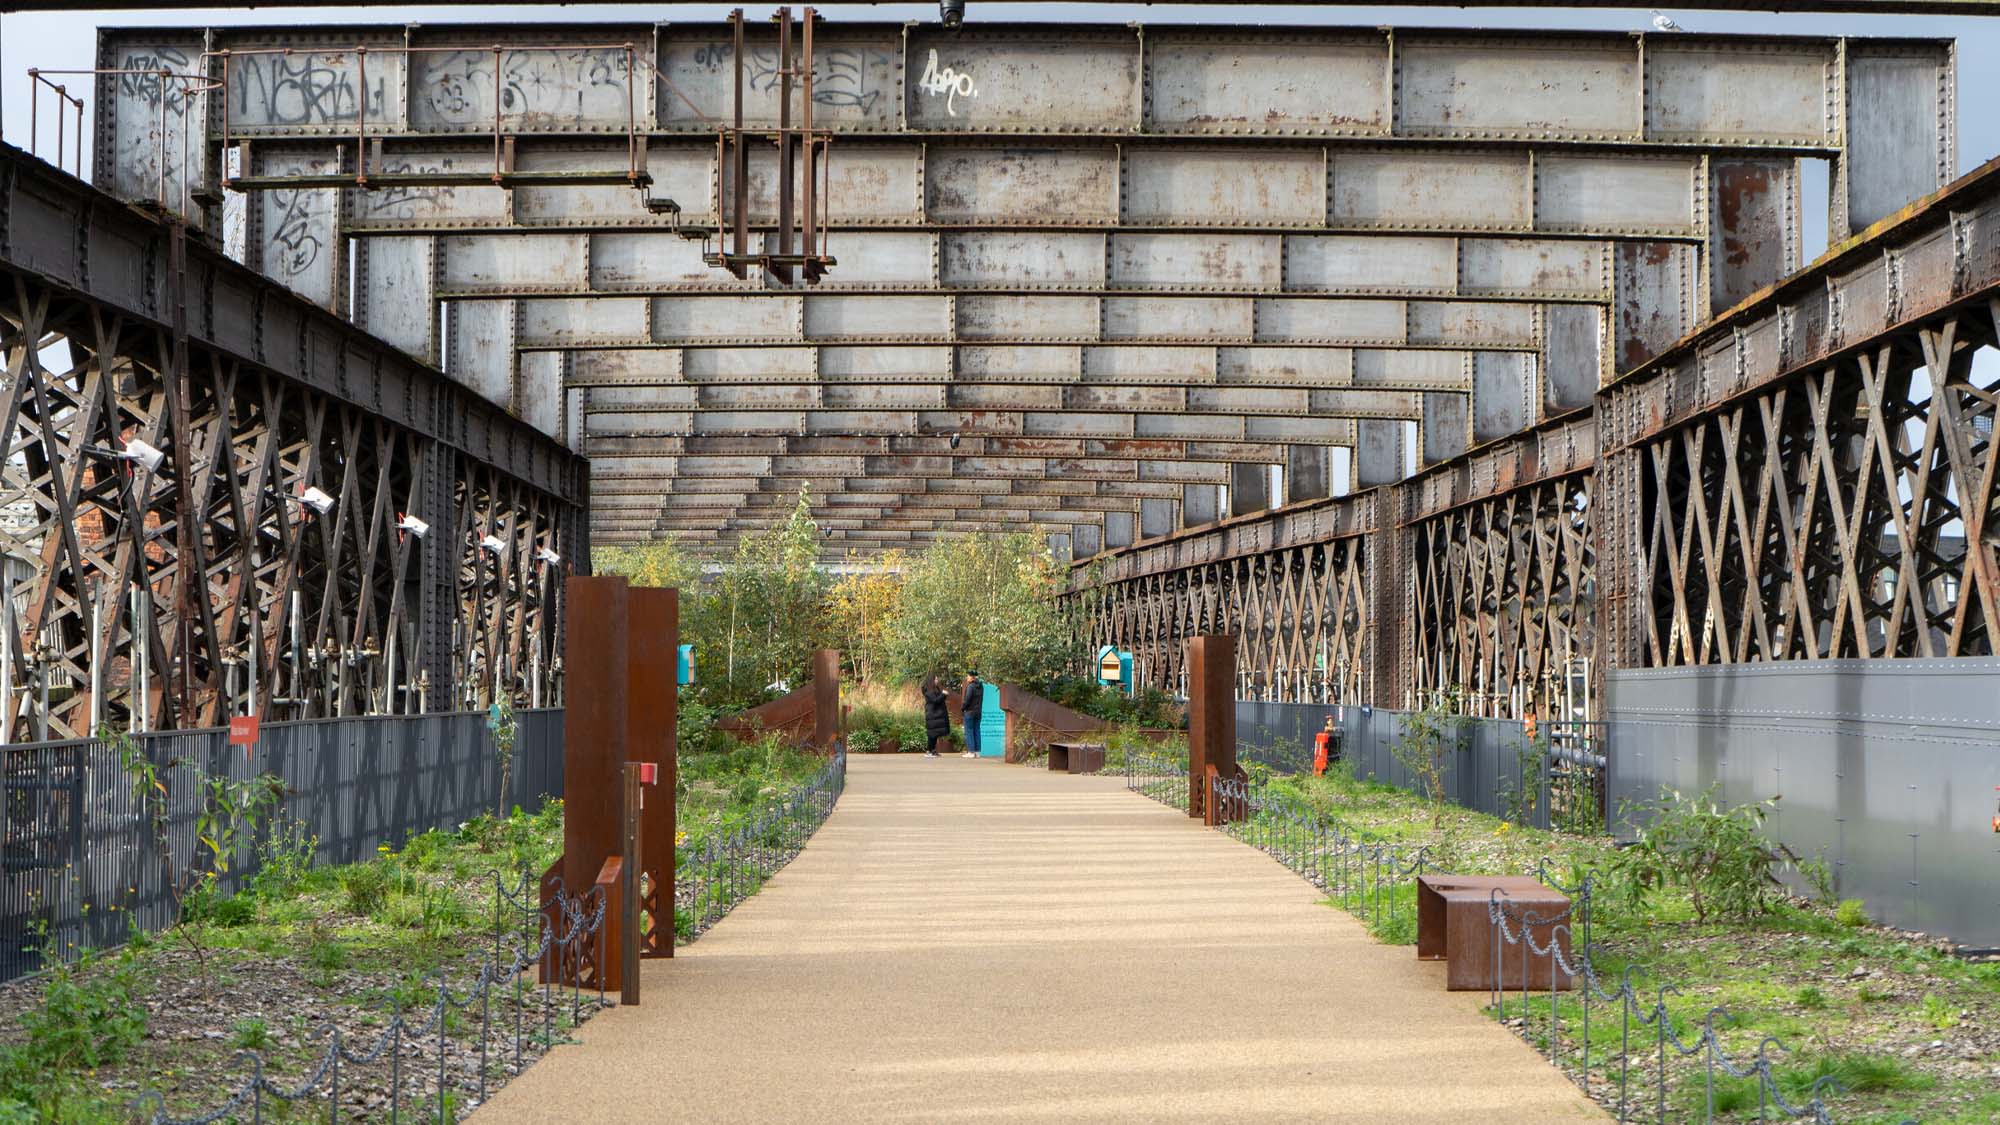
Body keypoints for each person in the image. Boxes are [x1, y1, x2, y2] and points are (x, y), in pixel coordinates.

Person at [920, 675, 950, 759]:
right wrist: (943, 695)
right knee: (931, 734)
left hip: (936, 715)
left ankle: (933, 750)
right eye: (935, 679)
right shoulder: (929, 691)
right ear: (931, 680)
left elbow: (939, 700)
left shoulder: (935, 689)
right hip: (932, 715)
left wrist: (943, 695)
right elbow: (935, 700)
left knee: (935, 734)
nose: (937, 680)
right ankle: (928, 751)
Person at [960, 670, 985, 759]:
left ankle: (971, 752)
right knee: (977, 730)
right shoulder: (981, 686)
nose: (967, 677)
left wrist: (962, 708)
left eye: (968, 676)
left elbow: (967, 699)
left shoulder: (970, 686)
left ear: (972, 677)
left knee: (969, 731)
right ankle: (977, 752)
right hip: (978, 712)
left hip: (970, 712)